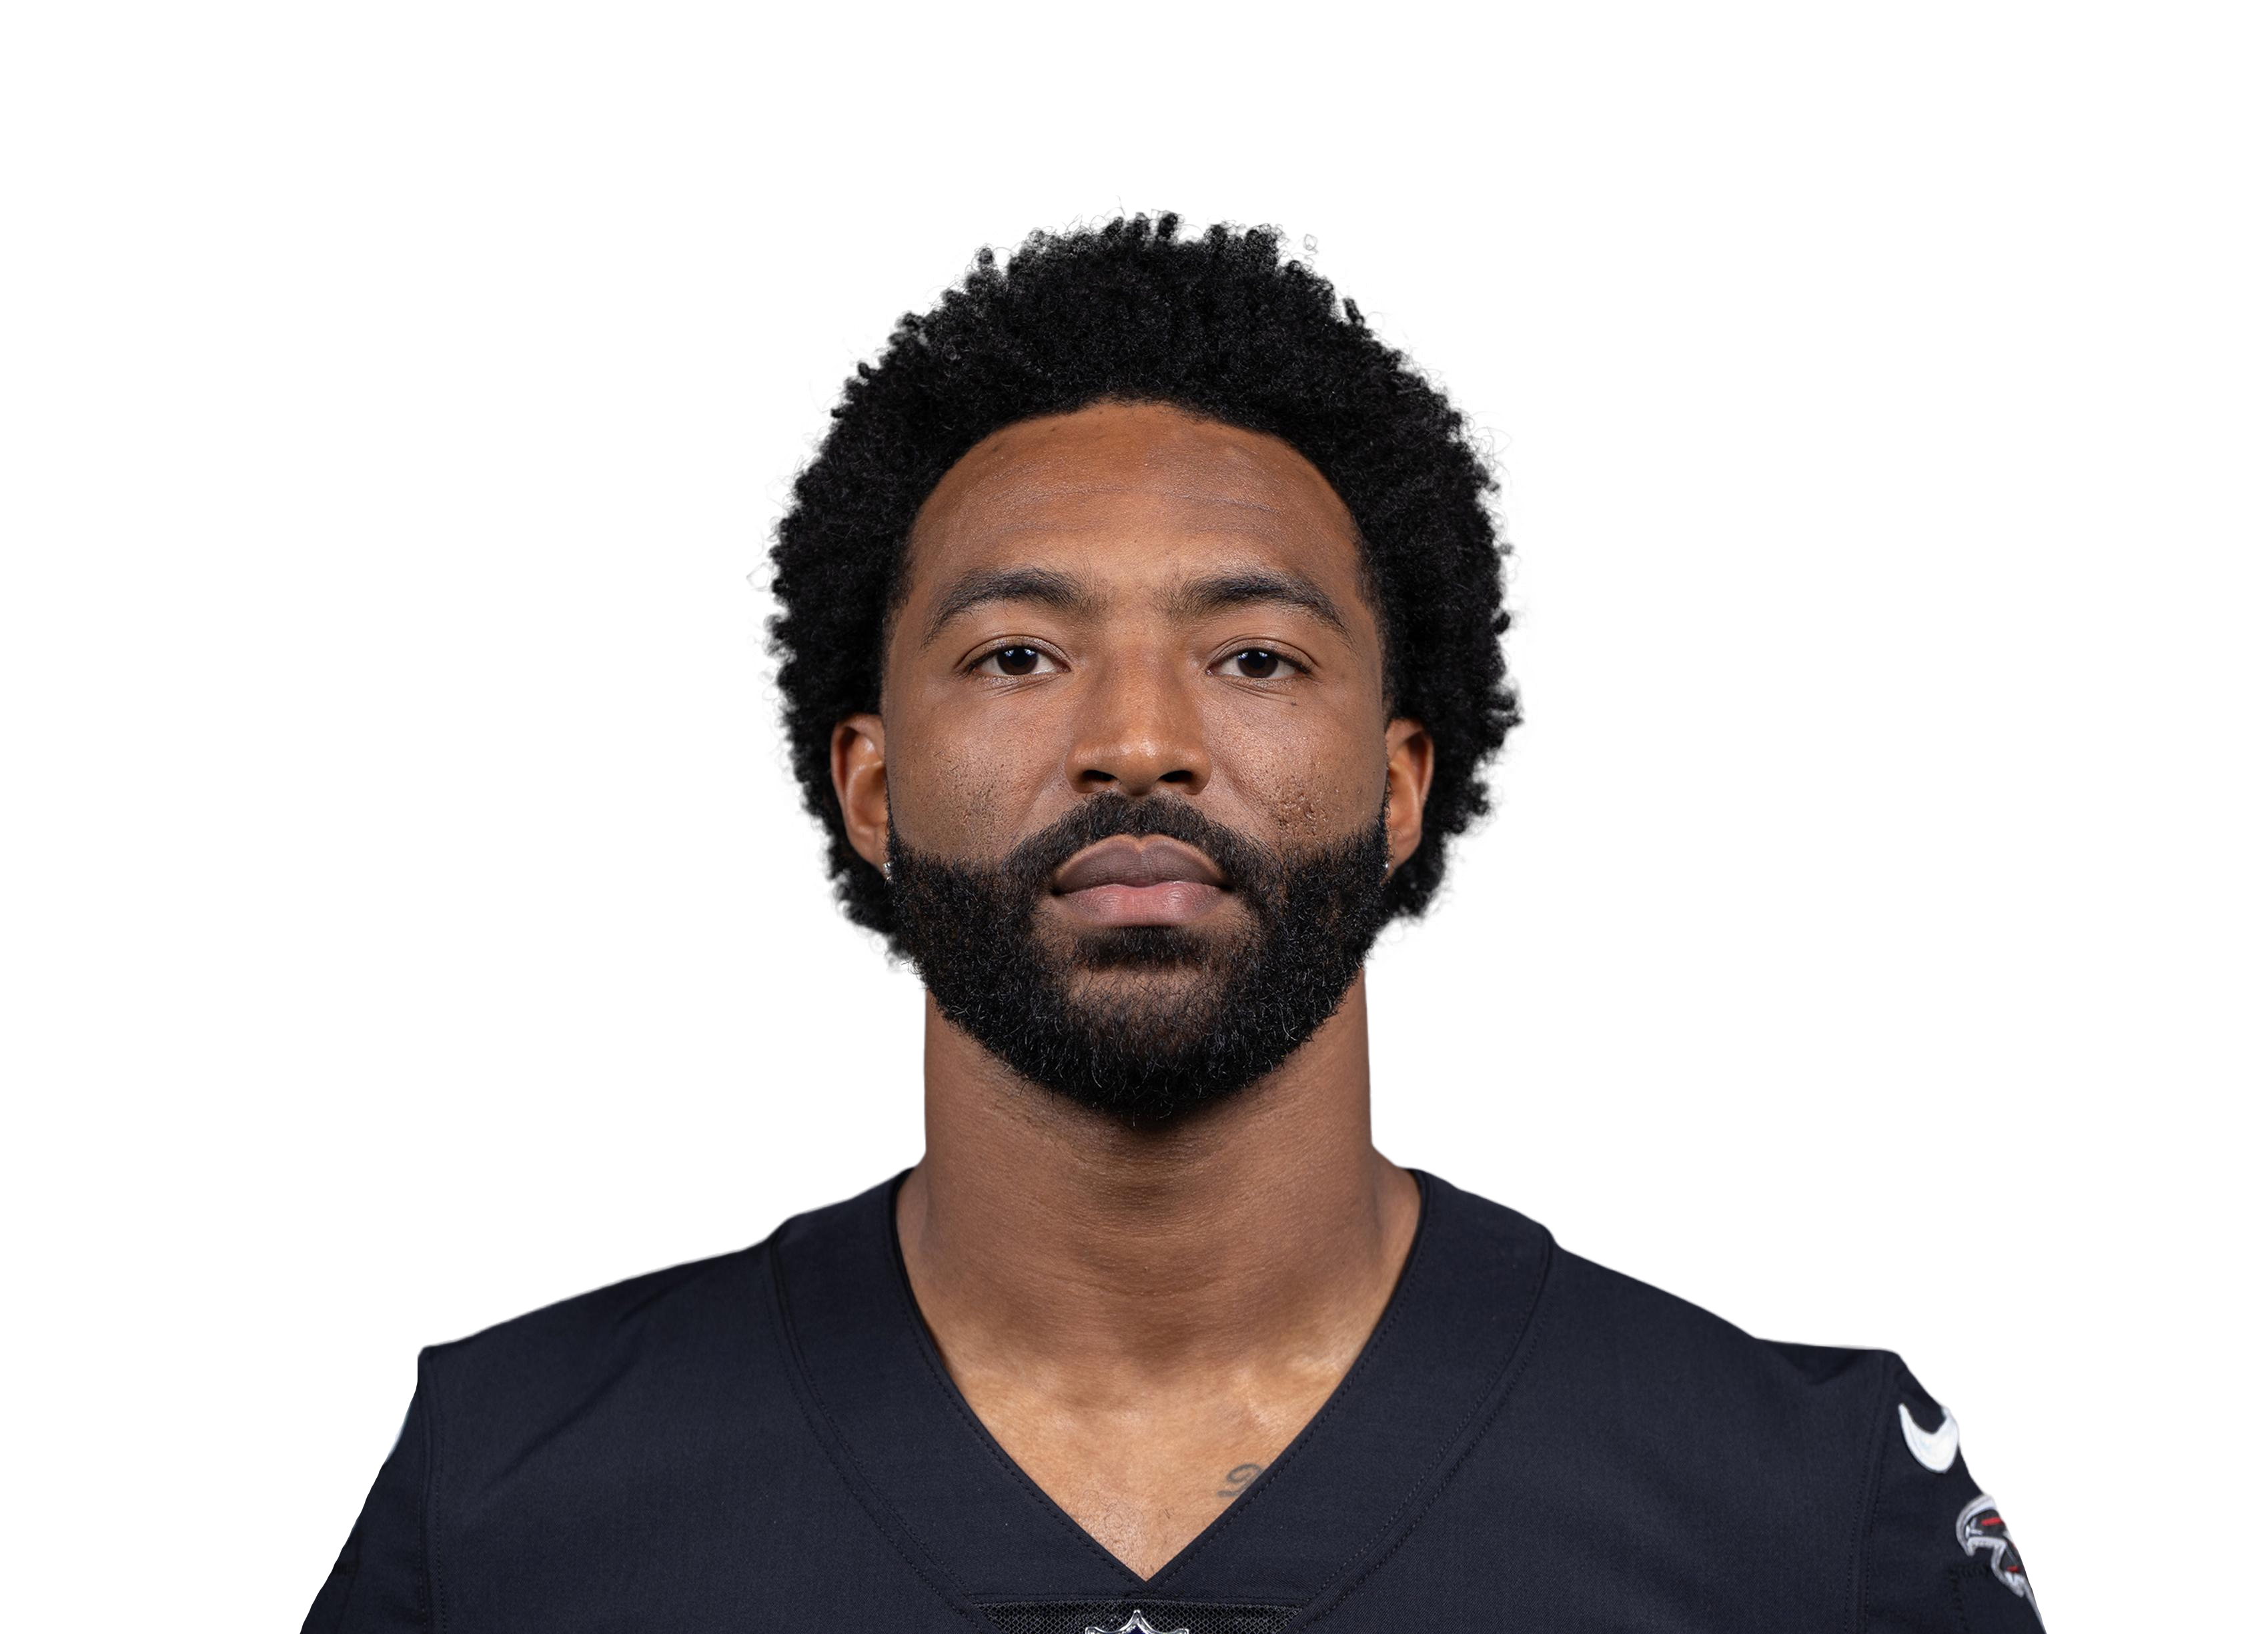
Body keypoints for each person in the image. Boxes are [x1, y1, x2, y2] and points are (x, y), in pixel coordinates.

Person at [301, 196, 2044, 1631]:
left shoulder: (1810, 1517)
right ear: (869, 788)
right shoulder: (499, 1495)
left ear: (1402, 783)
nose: (1137, 740)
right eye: (1017, 654)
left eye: (1256, 656)